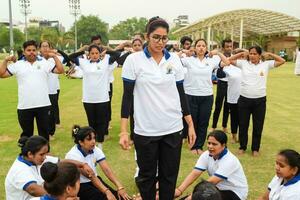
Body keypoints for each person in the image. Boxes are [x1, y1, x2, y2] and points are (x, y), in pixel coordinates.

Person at [119, 16, 196, 200]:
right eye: (156, 37)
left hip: (172, 128)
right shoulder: (133, 60)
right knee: (146, 178)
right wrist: (123, 131)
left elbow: (181, 94)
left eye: (164, 38)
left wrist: (190, 124)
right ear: (147, 36)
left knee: (169, 178)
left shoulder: (175, 60)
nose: (160, 42)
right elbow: (127, 97)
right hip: (145, 130)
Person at [0, 40, 64, 140]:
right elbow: (1, 74)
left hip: (43, 105)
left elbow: (60, 70)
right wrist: (5, 60)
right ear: (24, 51)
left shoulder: (44, 63)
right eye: (28, 50)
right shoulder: (18, 64)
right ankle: (26, 155)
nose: (31, 52)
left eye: (34, 50)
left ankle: (45, 154)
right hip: (25, 106)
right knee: (26, 136)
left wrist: (55, 57)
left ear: (37, 51)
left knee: (44, 135)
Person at [229, 46, 286, 156]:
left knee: (258, 125)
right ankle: (242, 147)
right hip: (244, 100)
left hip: (259, 100)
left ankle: (255, 149)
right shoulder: (243, 63)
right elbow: (229, 61)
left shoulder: (266, 64)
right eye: (250, 53)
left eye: (255, 54)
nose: (252, 56)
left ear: (260, 55)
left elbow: (282, 61)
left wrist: (269, 54)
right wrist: (241, 54)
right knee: (243, 124)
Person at [180, 39, 230, 154]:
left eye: (203, 46)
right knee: (193, 122)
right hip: (191, 95)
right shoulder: (188, 60)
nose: (201, 48)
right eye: (198, 46)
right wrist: (184, 51)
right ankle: (193, 146)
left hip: (206, 96)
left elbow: (226, 62)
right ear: (195, 48)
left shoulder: (212, 61)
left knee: (203, 121)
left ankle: (199, 146)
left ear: (206, 48)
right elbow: (174, 60)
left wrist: (217, 53)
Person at [5, 135, 93, 200]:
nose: (45, 157)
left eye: (46, 153)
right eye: (42, 154)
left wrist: (82, 164)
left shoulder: (38, 159)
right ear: (30, 154)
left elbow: (61, 161)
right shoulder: (20, 170)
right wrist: (61, 196)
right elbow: (33, 190)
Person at [175, 130, 248, 200]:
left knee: (202, 197)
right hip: (215, 190)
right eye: (209, 143)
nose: (210, 146)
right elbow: (195, 173)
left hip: (235, 193)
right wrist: (179, 190)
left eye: (214, 144)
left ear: (223, 145)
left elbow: (212, 181)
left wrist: (193, 196)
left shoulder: (230, 160)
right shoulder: (206, 154)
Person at [65, 125, 131, 200]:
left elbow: (106, 169)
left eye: (94, 138)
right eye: (89, 139)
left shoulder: (95, 149)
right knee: (107, 197)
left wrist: (120, 187)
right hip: (80, 186)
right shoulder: (73, 155)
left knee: (120, 197)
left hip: (95, 180)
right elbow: (90, 176)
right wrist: (107, 192)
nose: (93, 141)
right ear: (81, 142)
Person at [76, 45, 117, 148]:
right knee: (91, 122)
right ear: (89, 54)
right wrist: (82, 50)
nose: (94, 55)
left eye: (96, 53)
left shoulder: (105, 62)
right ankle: (92, 142)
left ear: (100, 54)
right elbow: (70, 57)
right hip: (88, 99)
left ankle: (100, 143)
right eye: (92, 53)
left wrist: (106, 50)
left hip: (102, 98)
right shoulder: (84, 63)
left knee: (102, 122)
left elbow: (117, 54)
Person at [216, 50, 243, 143]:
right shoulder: (229, 67)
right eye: (238, 56)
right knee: (234, 117)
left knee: (243, 118)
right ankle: (234, 136)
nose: (240, 57)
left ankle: (242, 136)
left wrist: (241, 52)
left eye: (241, 56)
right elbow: (219, 75)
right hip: (233, 97)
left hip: (244, 96)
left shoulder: (246, 66)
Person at [39, 41, 63, 136]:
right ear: (39, 48)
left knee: (52, 112)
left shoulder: (54, 59)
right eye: (43, 46)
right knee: (42, 113)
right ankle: (44, 131)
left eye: (47, 46)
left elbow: (67, 59)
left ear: (50, 47)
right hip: (41, 90)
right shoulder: (37, 60)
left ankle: (51, 132)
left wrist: (56, 53)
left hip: (53, 89)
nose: (45, 48)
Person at [211, 39, 233, 133]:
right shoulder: (217, 57)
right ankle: (213, 126)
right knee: (218, 105)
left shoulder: (233, 56)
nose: (229, 48)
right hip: (222, 83)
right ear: (223, 47)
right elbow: (217, 72)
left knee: (227, 106)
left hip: (231, 84)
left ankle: (224, 126)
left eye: (231, 46)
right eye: (227, 46)